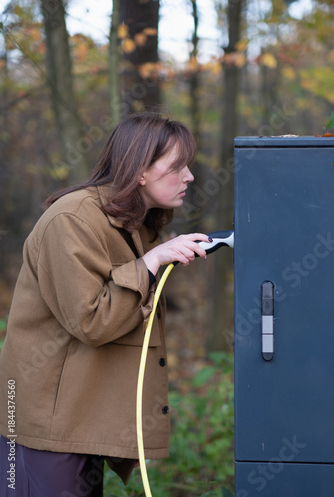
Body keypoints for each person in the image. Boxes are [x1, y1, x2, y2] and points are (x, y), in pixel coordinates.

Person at [0, 112, 211, 496]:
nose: (189, 177)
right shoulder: (72, 219)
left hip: (82, 418)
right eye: (177, 166)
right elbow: (92, 321)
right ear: (140, 170)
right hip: (44, 426)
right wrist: (150, 262)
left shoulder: (133, 222)